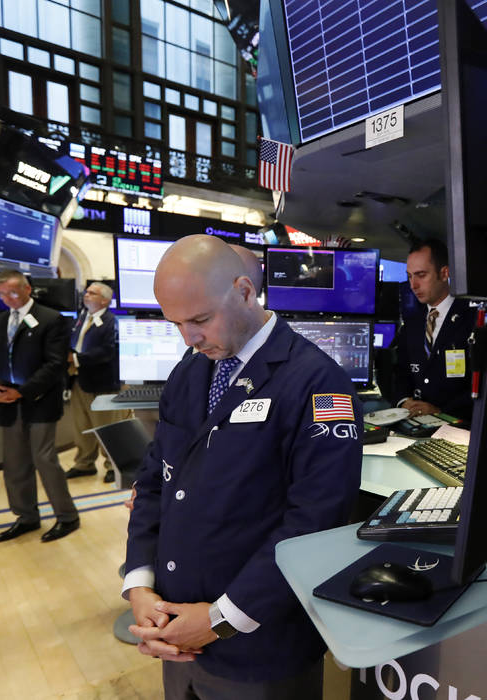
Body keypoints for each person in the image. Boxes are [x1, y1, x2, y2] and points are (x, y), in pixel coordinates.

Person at [123, 235, 362, 699]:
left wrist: (219, 620)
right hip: (177, 633)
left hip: (261, 647)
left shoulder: (316, 381)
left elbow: (315, 520)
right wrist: (140, 584)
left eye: (200, 320)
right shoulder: (188, 373)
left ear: (245, 291)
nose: (189, 338)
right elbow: (156, 482)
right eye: (175, 323)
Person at [0, 269, 79, 543]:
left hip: (40, 402)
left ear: (27, 288)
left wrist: (22, 392)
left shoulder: (52, 319)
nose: (8, 298)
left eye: (13, 292)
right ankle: (26, 516)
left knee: (44, 460)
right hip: (9, 405)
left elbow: (54, 364)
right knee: (15, 463)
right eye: (2, 294)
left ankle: (67, 516)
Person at [392, 238, 477, 420]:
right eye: (409, 276)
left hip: (459, 425)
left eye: (421, 275)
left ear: (444, 273)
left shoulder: (473, 318)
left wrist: (440, 411)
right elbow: (402, 371)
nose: (413, 285)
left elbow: (482, 383)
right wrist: (404, 401)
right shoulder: (413, 321)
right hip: (416, 423)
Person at [65, 282, 131, 483]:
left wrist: (76, 359)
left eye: (92, 293)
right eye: (87, 292)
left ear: (104, 300)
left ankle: (114, 465)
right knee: (82, 426)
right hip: (79, 381)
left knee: (107, 428)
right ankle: (84, 463)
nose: (86, 295)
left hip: (103, 384)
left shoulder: (113, 322)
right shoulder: (82, 318)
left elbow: (107, 351)